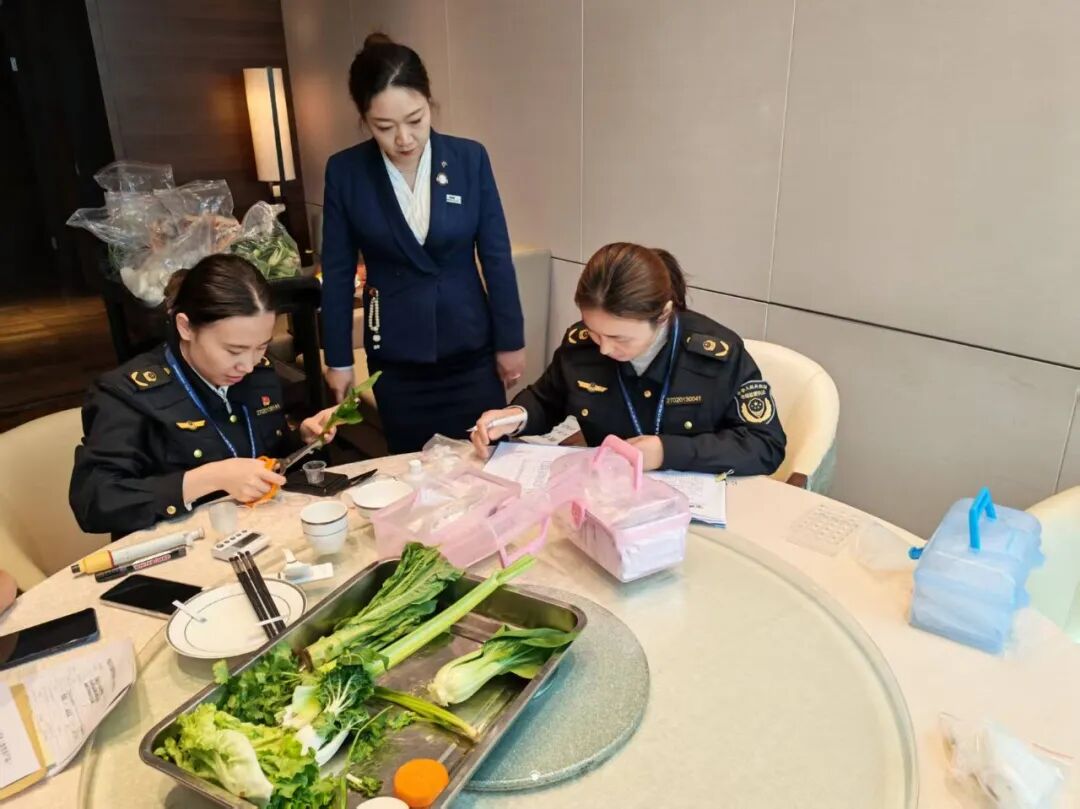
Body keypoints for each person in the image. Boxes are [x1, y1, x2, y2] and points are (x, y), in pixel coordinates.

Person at [320, 32, 526, 453]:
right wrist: (337, 358)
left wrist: (511, 341)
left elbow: (496, 257)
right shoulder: (346, 172)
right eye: (384, 127)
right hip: (397, 359)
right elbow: (338, 273)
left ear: (429, 103)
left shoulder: (469, 159)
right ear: (364, 119)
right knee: (413, 470)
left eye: (415, 120)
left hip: (471, 350)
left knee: (486, 464)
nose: (404, 139)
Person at [70, 254, 339, 537]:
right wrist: (209, 478)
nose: (248, 365)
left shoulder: (259, 375)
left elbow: (267, 457)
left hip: (258, 535)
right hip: (178, 548)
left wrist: (303, 440)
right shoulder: (127, 394)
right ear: (185, 327)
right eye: (233, 351)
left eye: (261, 347)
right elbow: (94, 501)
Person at [471, 243, 787, 475]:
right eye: (595, 333)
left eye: (620, 338)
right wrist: (515, 416)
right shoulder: (581, 347)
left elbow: (765, 445)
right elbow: (547, 399)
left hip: (694, 510)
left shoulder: (715, 355)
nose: (604, 349)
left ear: (663, 314)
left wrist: (667, 452)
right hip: (607, 500)